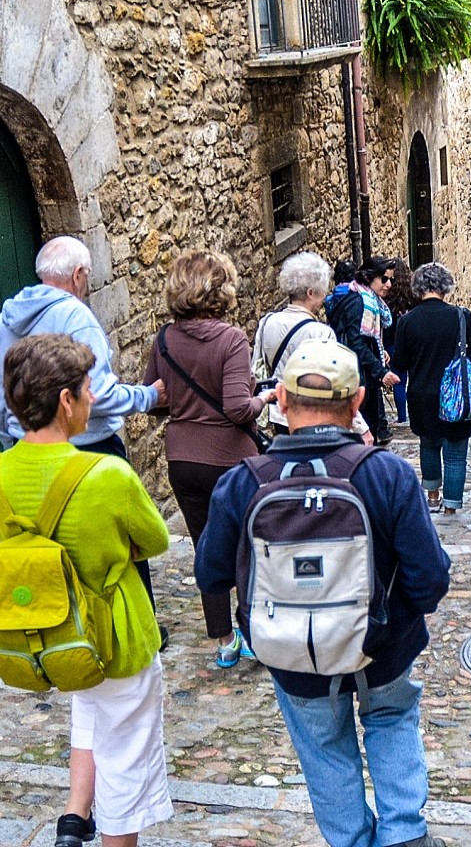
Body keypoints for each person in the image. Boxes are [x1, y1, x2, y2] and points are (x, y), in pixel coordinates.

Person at [196, 340, 452, 847]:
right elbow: (431, 576)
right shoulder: (387, 474)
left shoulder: (242, 483)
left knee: (323, 747)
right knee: (392, 717)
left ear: (283, 402)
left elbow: (210, 574)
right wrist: (394, 618)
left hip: (292, 653)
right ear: (356, 401)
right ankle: (403, 834)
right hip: (381, 648)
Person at [0, 334, 173, 847]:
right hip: (117, 632)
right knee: (126, 757)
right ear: (66, 400)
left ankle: (73, 816)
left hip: (56, 630)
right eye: (88, 391)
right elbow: (154, 539)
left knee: (89, 708)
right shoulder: (107, 473)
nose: (92, 400)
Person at [0, 235, 165, 606]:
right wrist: (149, 396)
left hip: (28, 449)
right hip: (90, 449)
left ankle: (65, 631)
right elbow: (98, 395)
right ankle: (132, 629)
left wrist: (13, 445)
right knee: (120, 546)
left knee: (55, 550)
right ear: (79, 274)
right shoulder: (76, 317)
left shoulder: (4, 322)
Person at [143, 249, 276, 668]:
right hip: (231, 460)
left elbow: (155, 402)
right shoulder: (230, 339)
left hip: (183, 459)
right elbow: (238, 408)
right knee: (248, 544)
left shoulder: (163, 340)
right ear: (221, 290)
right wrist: (265, 397)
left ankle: (223, 641)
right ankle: (253, 630)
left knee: (207, 546)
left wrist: (185, 405)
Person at [389, 262, 471, 513]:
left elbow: (400, 362)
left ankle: (432, 496)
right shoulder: (462, 317)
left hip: (422, 394)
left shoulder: (407, 321)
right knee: (456, 454)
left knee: (429, 444)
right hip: (457, 395)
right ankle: (451, 506)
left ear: (418, 287)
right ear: (446, 287)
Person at [252, 252, 375, 444]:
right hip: (313, 414)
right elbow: (334, 380)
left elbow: (257, 370)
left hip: (278, 412)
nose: (323, 300)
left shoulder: (267, 322)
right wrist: (362, 428)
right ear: (310, 293)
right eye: (321, 293)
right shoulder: (320, 332)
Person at [327, 255, 400, 445]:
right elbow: (356, 343)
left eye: (391, 279)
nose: (389, 284)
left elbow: (365, 340)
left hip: (365, 377)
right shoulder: (359, 302)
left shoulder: (368, 300)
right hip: (358, 378)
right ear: (370, 277)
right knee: (364, 437)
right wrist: (381, 371)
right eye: (384, 279)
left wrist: (378, 350)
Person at [384, 258, 420, 425]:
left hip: (392, 343)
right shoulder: (413, 294)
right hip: (413, 342)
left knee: (398, 380)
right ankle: (416, 415)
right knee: (415, 379)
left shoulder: (387, 296)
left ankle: (402, 417)